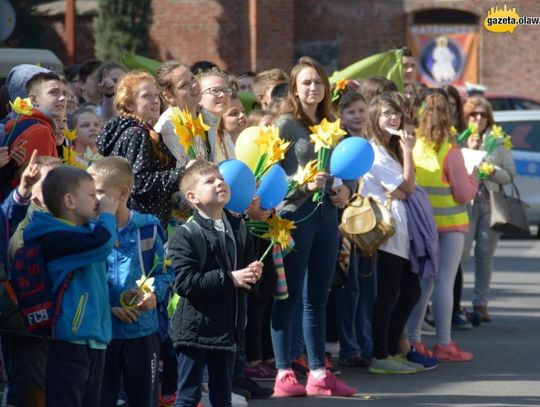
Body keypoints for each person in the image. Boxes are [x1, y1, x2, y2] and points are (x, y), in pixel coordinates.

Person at [270, 56, 356, 397]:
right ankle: (283, 372)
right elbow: (269, 175)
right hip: (295, 216)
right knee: (287, 296)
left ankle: (318, 372)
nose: (312, 88)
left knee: (318, 298)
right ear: (294, 88)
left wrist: (348, 188)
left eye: (318, 82)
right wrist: (303, 182)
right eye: (306, 82)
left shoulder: (332, 126)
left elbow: (350, 166)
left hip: (326, 218)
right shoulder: (284, 125)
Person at [168, 160, 262, 407]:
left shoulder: (239, 227)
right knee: (188, 395)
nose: (220, 182)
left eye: (220, 178)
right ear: (192, 197)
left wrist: (253, 274)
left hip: (227, 328)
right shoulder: (186, 234)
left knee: (223, 397)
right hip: (194, 331)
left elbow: (245, 274)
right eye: (209, 181)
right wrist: (231, 278)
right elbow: (185, 283)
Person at [22, 165, 118, 407]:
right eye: (91, 194)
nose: (97, 200)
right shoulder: (57, 237)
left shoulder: (82, 234)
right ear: (69, 201)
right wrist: (108, 214)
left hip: (94, 340)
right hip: (70, 342)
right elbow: (103, 243)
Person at [87, 157, 174, 407]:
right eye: (90, 193)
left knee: (144, 399)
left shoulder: (148, 228)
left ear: (123, 192)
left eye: (100, 193)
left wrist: (153, 295)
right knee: (100, 399)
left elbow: (165, 271)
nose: (94, 199)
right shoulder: (88, 230)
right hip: (103, 334)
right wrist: (107, 307)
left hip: (143, 332)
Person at [406, 92, 479, 362]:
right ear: (448, 119)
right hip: (451, 225)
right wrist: (474, 176)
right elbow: (462, 194)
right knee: (445, 282)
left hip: (423, 225)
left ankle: (414, 340)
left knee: (424, 283)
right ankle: (444, 343)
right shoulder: (451, 152)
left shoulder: (412, 148)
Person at [360, 93, 422, 375]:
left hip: (401, 230)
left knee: (409, 291)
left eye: (395, 113)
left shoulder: (390, 148)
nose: (393, 118)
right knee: (389, 294)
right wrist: (408, 150)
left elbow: (406, 187)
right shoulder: (375, 150)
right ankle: (380, 354)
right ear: (375, 117)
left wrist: (401, 186)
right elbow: (408, 187)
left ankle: (393, 350)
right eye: (386, 113)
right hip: (386, 231)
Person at [1, 154, 60, 407]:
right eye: (51, 182)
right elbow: (9, 222)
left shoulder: (67, 220)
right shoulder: (28, 224)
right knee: (32, 391)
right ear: (34, 194)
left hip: (53, 324)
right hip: (28, 320)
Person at [97, 71, 182, 227]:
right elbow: (138, 183)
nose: (156, 100)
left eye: (156, 95)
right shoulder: (137, 133)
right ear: (129, 104)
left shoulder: (135, 130)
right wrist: (183, 173)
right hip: (139, 226)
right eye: (146, 96)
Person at [461, 96, 516, 322]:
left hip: (490, 203)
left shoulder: (499, 140)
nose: (479, 118)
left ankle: (480, 304)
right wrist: (470, 152)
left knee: (485, 255)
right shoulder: (459, 138)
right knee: (460, 256)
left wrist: (492, 170)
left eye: (483, 114)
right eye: (474, 114)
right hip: (464, 203)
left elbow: (510, 174)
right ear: (466, 117)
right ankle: (454, 304)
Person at [154, 60, 205, 167]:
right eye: (184, 85)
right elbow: (179, 176)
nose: (194, 85)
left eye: (192, 78)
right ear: (169, 96)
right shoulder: (169, 127)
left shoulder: (201, 116)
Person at [196, 68, 236, 162]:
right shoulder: (194, 132)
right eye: (214, 90)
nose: (222, 95)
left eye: (226, 91)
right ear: (198, 97)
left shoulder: (225, 135)